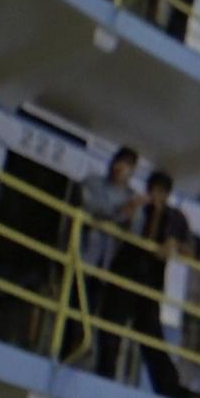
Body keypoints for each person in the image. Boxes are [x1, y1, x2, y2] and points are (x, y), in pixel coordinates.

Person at [94, 170, 195, 398]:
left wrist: (174, 244)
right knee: (111, 328)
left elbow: (190, 249)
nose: (157, 196)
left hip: (150, 280)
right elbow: (114, 222)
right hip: (125, 272)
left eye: (162, 192)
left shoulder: (175, 218)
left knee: (151, 336)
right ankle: (104, 376)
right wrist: (131, 209)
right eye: (154, 190)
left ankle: (169, 388)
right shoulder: (137, 206)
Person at [62, 146, 144, 358]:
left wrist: (130, 214)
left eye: (127, 165)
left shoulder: (132, 198)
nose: (120, 168)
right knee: (72, 307)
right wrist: (122, 212)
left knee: (92, 310)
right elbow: (94, 210)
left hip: (107, 266)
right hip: (82, 255)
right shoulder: (93, 184)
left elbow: (136, 232)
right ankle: (64, 351)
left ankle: (80, 351)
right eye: (119, 161)